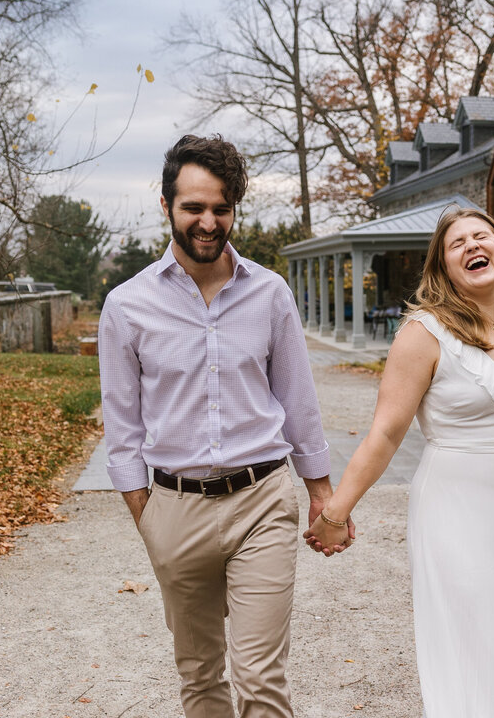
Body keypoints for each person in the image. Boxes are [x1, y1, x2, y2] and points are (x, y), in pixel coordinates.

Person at [99, 134, 347, 718]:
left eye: (221, 208)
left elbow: (297, 399)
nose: (208, 222)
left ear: (233, 208)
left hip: (261, 500)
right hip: (175, 507)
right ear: (167, 207)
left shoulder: (269, 293)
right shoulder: (126, 306)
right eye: (194, 208)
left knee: (261, 677)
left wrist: (322, 494)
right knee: (201, 677)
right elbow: (123, 428)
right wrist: (149, 516)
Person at [305, 207, 494, 717]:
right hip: (456, 506)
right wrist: (335, 512)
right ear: (443, 267)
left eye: (483, 236)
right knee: (470, 638)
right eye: (458, 244)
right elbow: (386, 433)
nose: (473, 246)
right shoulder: (424, 333)